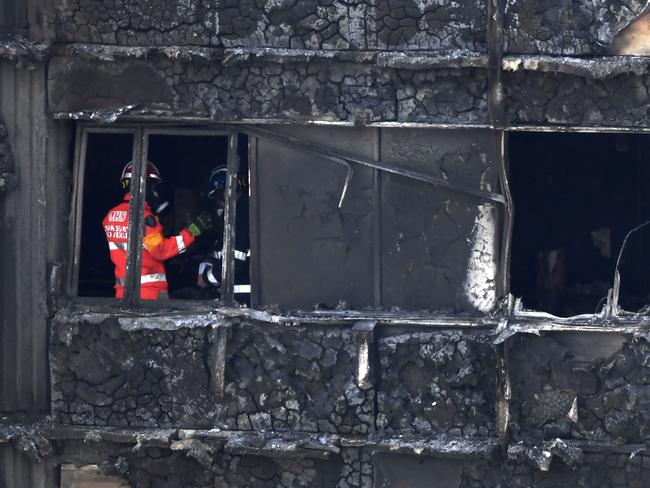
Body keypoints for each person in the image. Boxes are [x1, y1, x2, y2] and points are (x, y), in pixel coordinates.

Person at [103, 161, 212, 300]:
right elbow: (160, 250)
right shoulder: (144, 217)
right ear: (144, 186)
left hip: (122, 293)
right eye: (154, 186)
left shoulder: (111, 216)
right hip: (149, 295)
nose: (156, 192)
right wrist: (191, 233)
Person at [196, 165, 251, 303]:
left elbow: (234, 262)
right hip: (236, 298)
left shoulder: (239, 213)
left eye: (218, 196)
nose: (218, 203)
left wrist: (206, 278)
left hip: (244, 300)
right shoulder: (238, 213)